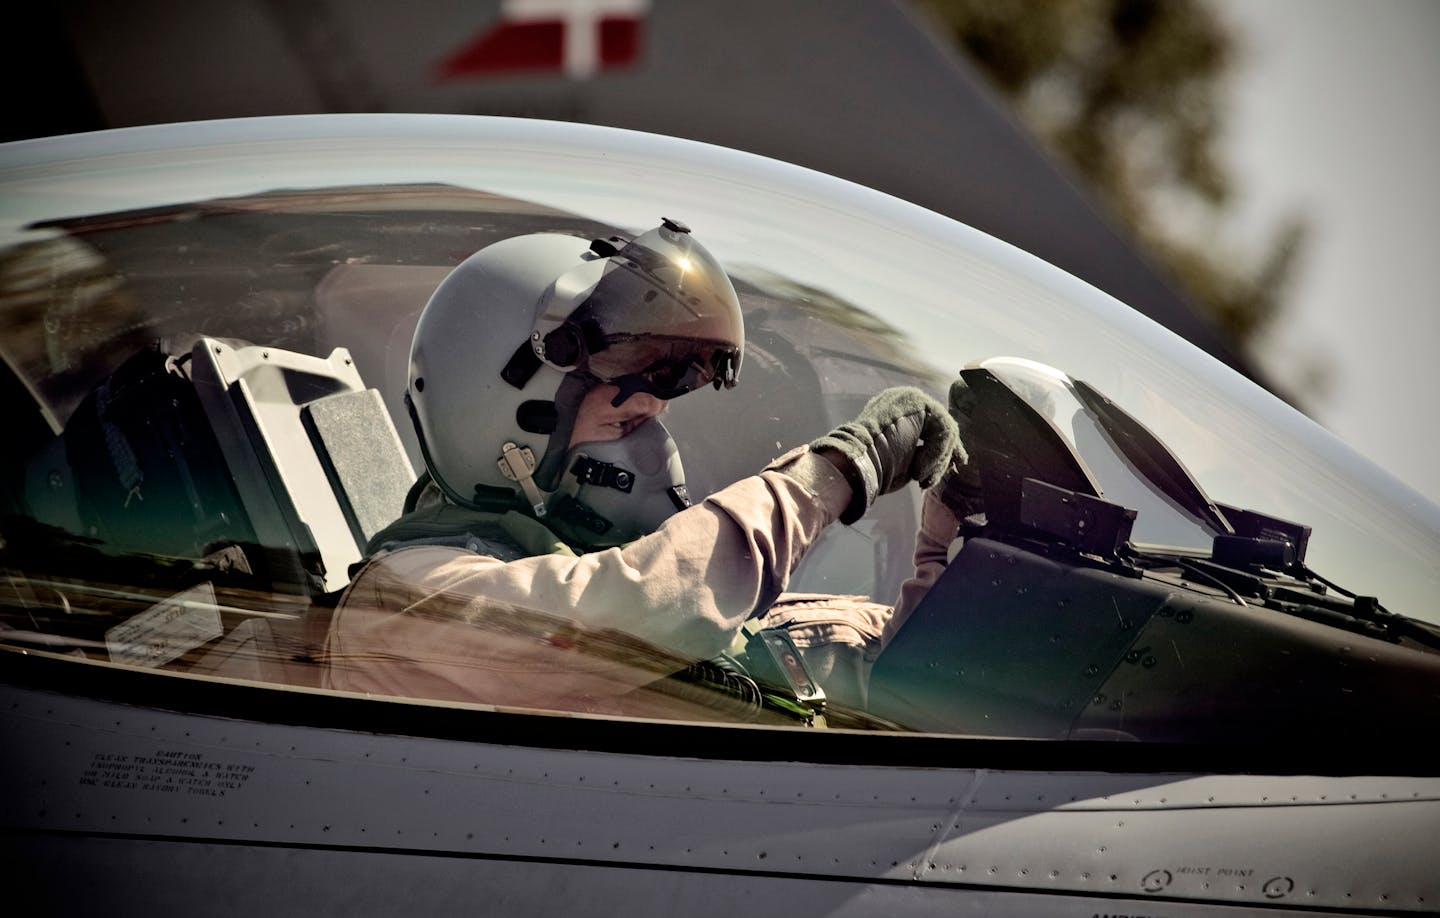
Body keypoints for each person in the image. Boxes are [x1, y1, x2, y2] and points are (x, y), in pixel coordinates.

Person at [322, 219, 963, 716]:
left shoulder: (678, 603)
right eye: (624, 382)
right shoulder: (411, 601)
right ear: (504, 399)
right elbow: (642, 610)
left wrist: (954, 531)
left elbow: (884, 674)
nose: (656, 404)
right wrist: (837, 473)